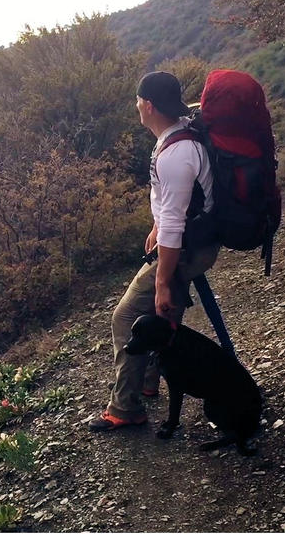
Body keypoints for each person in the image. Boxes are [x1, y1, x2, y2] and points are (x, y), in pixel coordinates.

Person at [88, 71, 220, 431]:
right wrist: (157, 225)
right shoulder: (174, 135)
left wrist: (162, 279)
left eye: (137, 101)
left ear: (147, 105)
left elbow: (177, 224)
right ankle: (148, 380)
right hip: (189, 239)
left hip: (189, 248)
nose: (135, 106)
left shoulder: (175, 154)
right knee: (161, 316)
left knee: (126, 316)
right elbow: (173, 203)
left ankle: (125, 408)